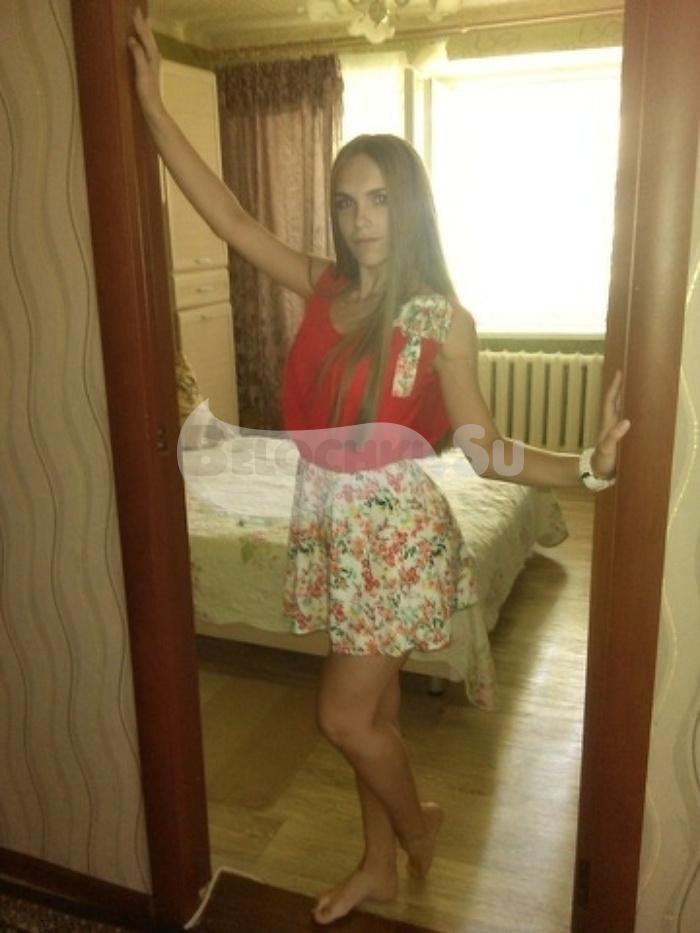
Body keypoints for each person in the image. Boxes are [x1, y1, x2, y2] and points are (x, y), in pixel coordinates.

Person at [128, 8, 631, 926]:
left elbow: (483, 447)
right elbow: (231, 218)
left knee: (342, 718)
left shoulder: (441, 317)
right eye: (346, 202)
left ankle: (418, 821)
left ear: (410, 206)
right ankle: (379, 868)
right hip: (330, 521)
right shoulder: (325, 286)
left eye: (378, 200)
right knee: (377, 716)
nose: (361, 220)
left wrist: (587, 469)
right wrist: (154, 108)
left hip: (394, 538)